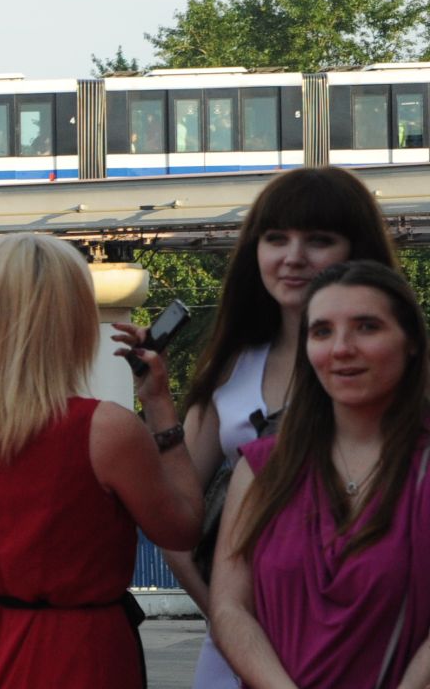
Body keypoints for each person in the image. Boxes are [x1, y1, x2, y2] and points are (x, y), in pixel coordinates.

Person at [163, 166, 397, 689]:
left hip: (368, 653)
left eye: (318, 240)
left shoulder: (399, 377)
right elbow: (175, 523)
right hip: (239, 661)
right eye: (276, 239)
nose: (293, 257)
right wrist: (229, 618)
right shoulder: (228, 369)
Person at [0, 233, 202, 688]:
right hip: (82, 651)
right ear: (72, 319)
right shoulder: (106, 429)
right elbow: (183, 527)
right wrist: (159, 405)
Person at [209, 261, 430, 688]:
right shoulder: (262, 468)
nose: (341, 348)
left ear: (412, 343)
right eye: (322, 331)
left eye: (367, 327)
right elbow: (229, 608)